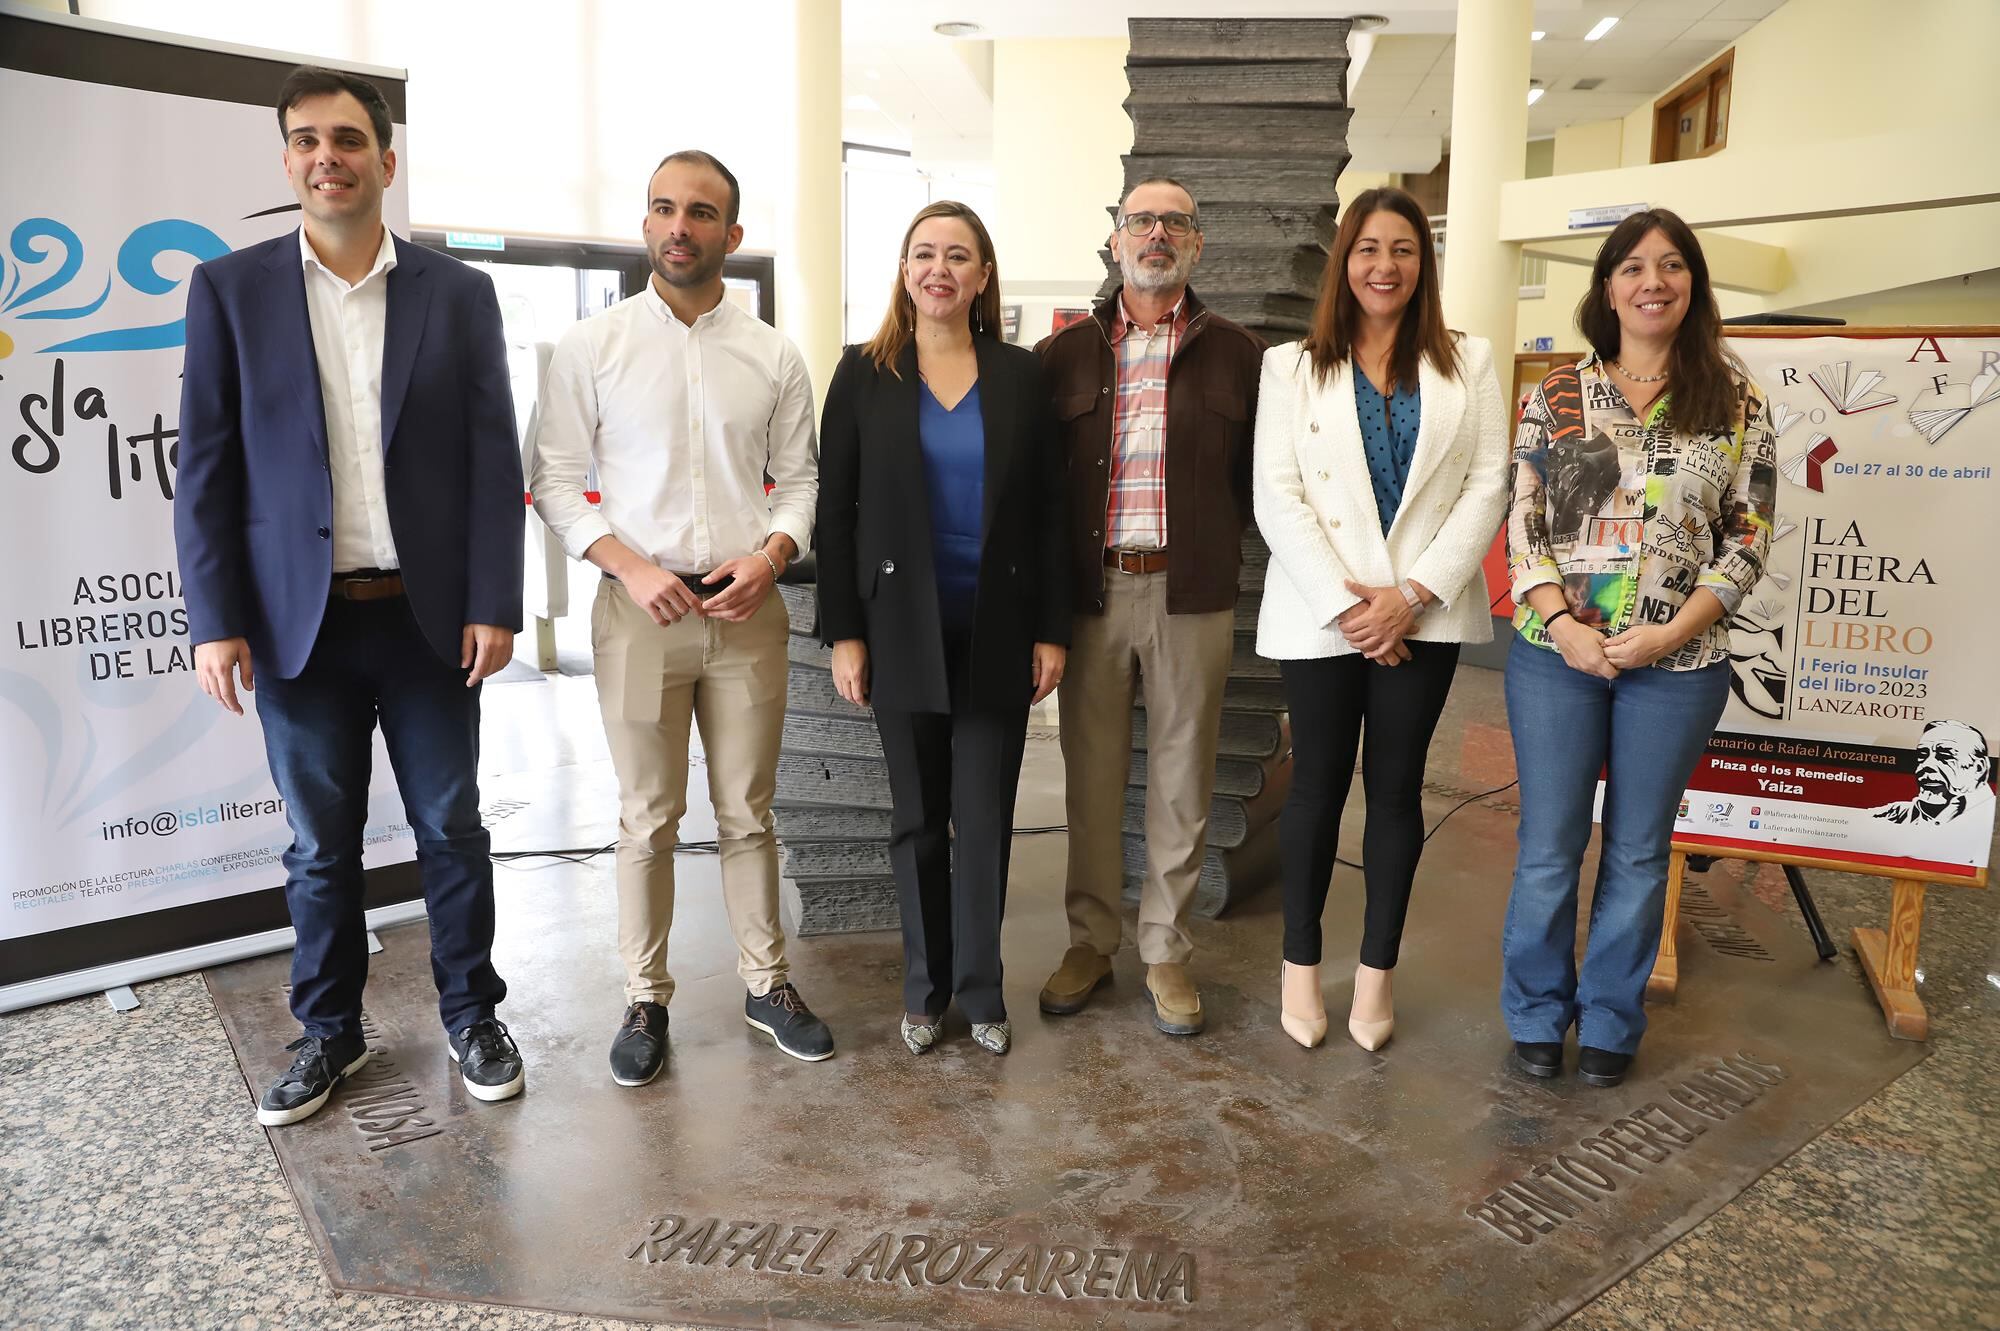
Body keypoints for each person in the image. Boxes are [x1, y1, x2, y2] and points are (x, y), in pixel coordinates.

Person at [176, 65, 526, 1125]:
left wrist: (494, 601)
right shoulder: (229, 290)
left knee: (450, 827)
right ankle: (329, 1031)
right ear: (287, 159)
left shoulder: (456, 293)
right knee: (318, 845)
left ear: (385, 157)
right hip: (298, 626)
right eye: (303, 139)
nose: (323, 155)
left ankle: (472, 1012)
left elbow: (487, 457)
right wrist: (215, 619)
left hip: (425, 620)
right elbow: (207, 466)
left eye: (344, 137)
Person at [530, 150, 831, 1086]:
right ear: (646, 223)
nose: (679, 227)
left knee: (748, 810)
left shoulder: (773, 353)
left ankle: (765, 981)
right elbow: (552, 479)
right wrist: (623, 562)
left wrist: (772, 555)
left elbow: (801, 481)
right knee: (646, 817)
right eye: (663, 208)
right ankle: (646, 996)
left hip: (747, 609)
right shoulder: (593, 346)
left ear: (731, 237)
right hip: (637, 609)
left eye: (701, 213)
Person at [1501, 208, 1776, 1088]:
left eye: (1670, 266)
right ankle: (1538, 1011)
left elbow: (1750, 535)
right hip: (1558, 656)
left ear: (1692, 283)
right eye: (1632, 267)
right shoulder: (1554, 395)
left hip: (1680, 665)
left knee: (1637, 849)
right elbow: (1524, 523)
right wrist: (1567, 624)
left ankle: (1613, 1018)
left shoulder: (1736, 399)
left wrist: (1669, 632)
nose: (1651, 282)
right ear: (1607, 286)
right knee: (1549, 845)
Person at [1252, 187, 1510, 1051]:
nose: (1384, 265)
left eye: (1402, 249)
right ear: (1344, 262)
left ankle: (1375, 977)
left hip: (1422, 616)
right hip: (1325, 613)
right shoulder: (1290, 366)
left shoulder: (1468, 361)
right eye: (1367, 248)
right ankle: (1298, 964)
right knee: (1317, 786)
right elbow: (1277, 495)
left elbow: (1487, 485)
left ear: (1422, 263)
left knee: (1396, 790)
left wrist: (1414, 594)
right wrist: (1350, 604)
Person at [817, 202, 1070, 1056]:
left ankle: (982, 987)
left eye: (957, 256)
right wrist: (844, 634)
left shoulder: (1020, 375)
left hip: (997, 626)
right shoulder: (861, 373)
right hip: (899, 632)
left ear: (982, 276)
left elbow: (1045, 516)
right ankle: (925, 991)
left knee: (985, 817)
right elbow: (836, 515)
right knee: (919, 817)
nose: (939, 269)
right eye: (923, 254)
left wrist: (1051, 629)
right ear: (904, 271)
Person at [1035, 177, 1265, 1037]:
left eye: (1174, 222)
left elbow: (1264, 485)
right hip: (1092, 593)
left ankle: (1164, 947)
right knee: (1091, 776)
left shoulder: (1241, 353)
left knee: (1181, 775)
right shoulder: (1063, 356)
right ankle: (1091, 940)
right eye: (1141, 220)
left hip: (1192, 593)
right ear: (1115, 239)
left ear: (1197, 245)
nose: (1156, 233)